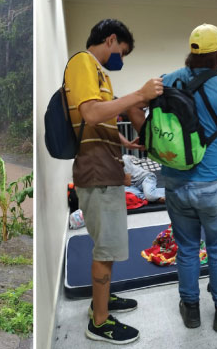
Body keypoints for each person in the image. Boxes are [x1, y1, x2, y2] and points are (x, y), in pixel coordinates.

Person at [66, 19, 163, 345]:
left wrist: (127, 144)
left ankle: (101, 300)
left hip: (108, 168)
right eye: (122, 51)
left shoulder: (101, 74)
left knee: (109, 245)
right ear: (110, 40)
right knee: (105, 248)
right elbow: (91, 114)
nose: (121, 59)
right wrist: (137, 95)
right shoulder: (83, 63)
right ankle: (100, 322)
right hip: (95, 172)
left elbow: (99, 125)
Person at [159, 23, 217, 333]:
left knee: (186, 249)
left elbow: (147, 121)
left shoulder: (167, 79)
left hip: (175, 181)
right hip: (212, 184)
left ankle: (191, 310)